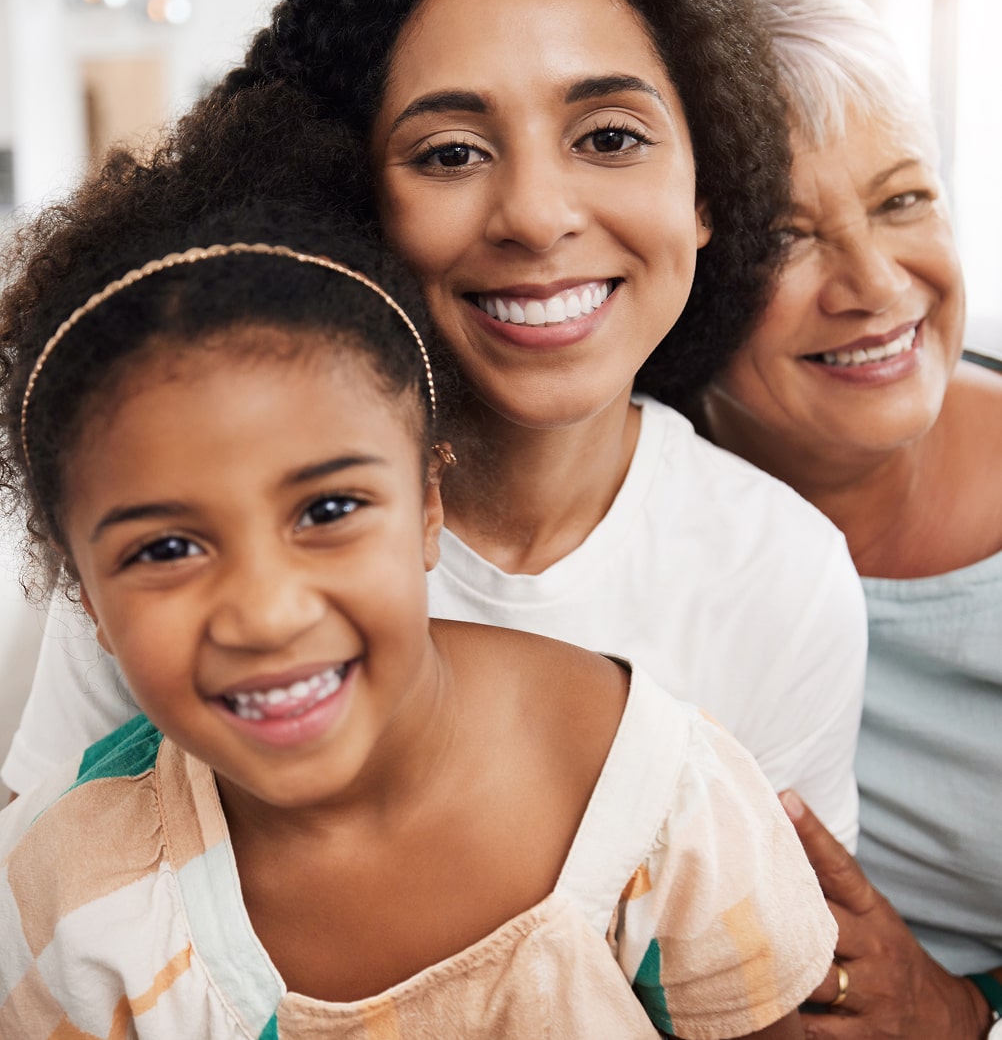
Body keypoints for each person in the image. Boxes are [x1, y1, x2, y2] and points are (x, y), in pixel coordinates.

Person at [3, 0, 867, 852]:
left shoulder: (781, 575)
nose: (535, 215)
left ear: (705, 191)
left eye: (610, 137)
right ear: (351, 203)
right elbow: (41, 884)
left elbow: (783, 935)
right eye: (450, 153)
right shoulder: (186, 513)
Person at [0, 148, 835, 1038]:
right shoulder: (66, 897)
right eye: (167, 548)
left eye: (328, 509)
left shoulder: (660, 800)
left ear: (429, 503)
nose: (267, 614)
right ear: (85, 596)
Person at [700, 0, 1002, 1037]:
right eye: (782, 237)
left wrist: (965, 1012)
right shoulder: (637, 512)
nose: (875, 283)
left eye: (902, 198)